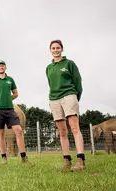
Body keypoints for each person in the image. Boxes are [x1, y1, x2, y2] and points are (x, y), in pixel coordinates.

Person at [0, 60, 33, 165]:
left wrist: (8, 99)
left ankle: (24, 158)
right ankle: (4, 158)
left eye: (3, 66)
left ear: (5, 67)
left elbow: (15, 93)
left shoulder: (10, 80)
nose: (1, 67)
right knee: (0, 133)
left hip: (10, 110)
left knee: (19, 130)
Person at [46, 40, 85, 171]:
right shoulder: (49, 68)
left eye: (58, 48)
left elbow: (78, 81)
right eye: (53, 48)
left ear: (62, 49)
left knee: (74, 128)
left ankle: (80, 160)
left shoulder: (69, 64)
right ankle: (67, 160)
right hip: (54, 99)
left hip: (69, 95)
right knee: (62, 131)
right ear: (50, 50)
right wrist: (52, 99)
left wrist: (75, 97)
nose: (55, 50)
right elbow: (51, 84)